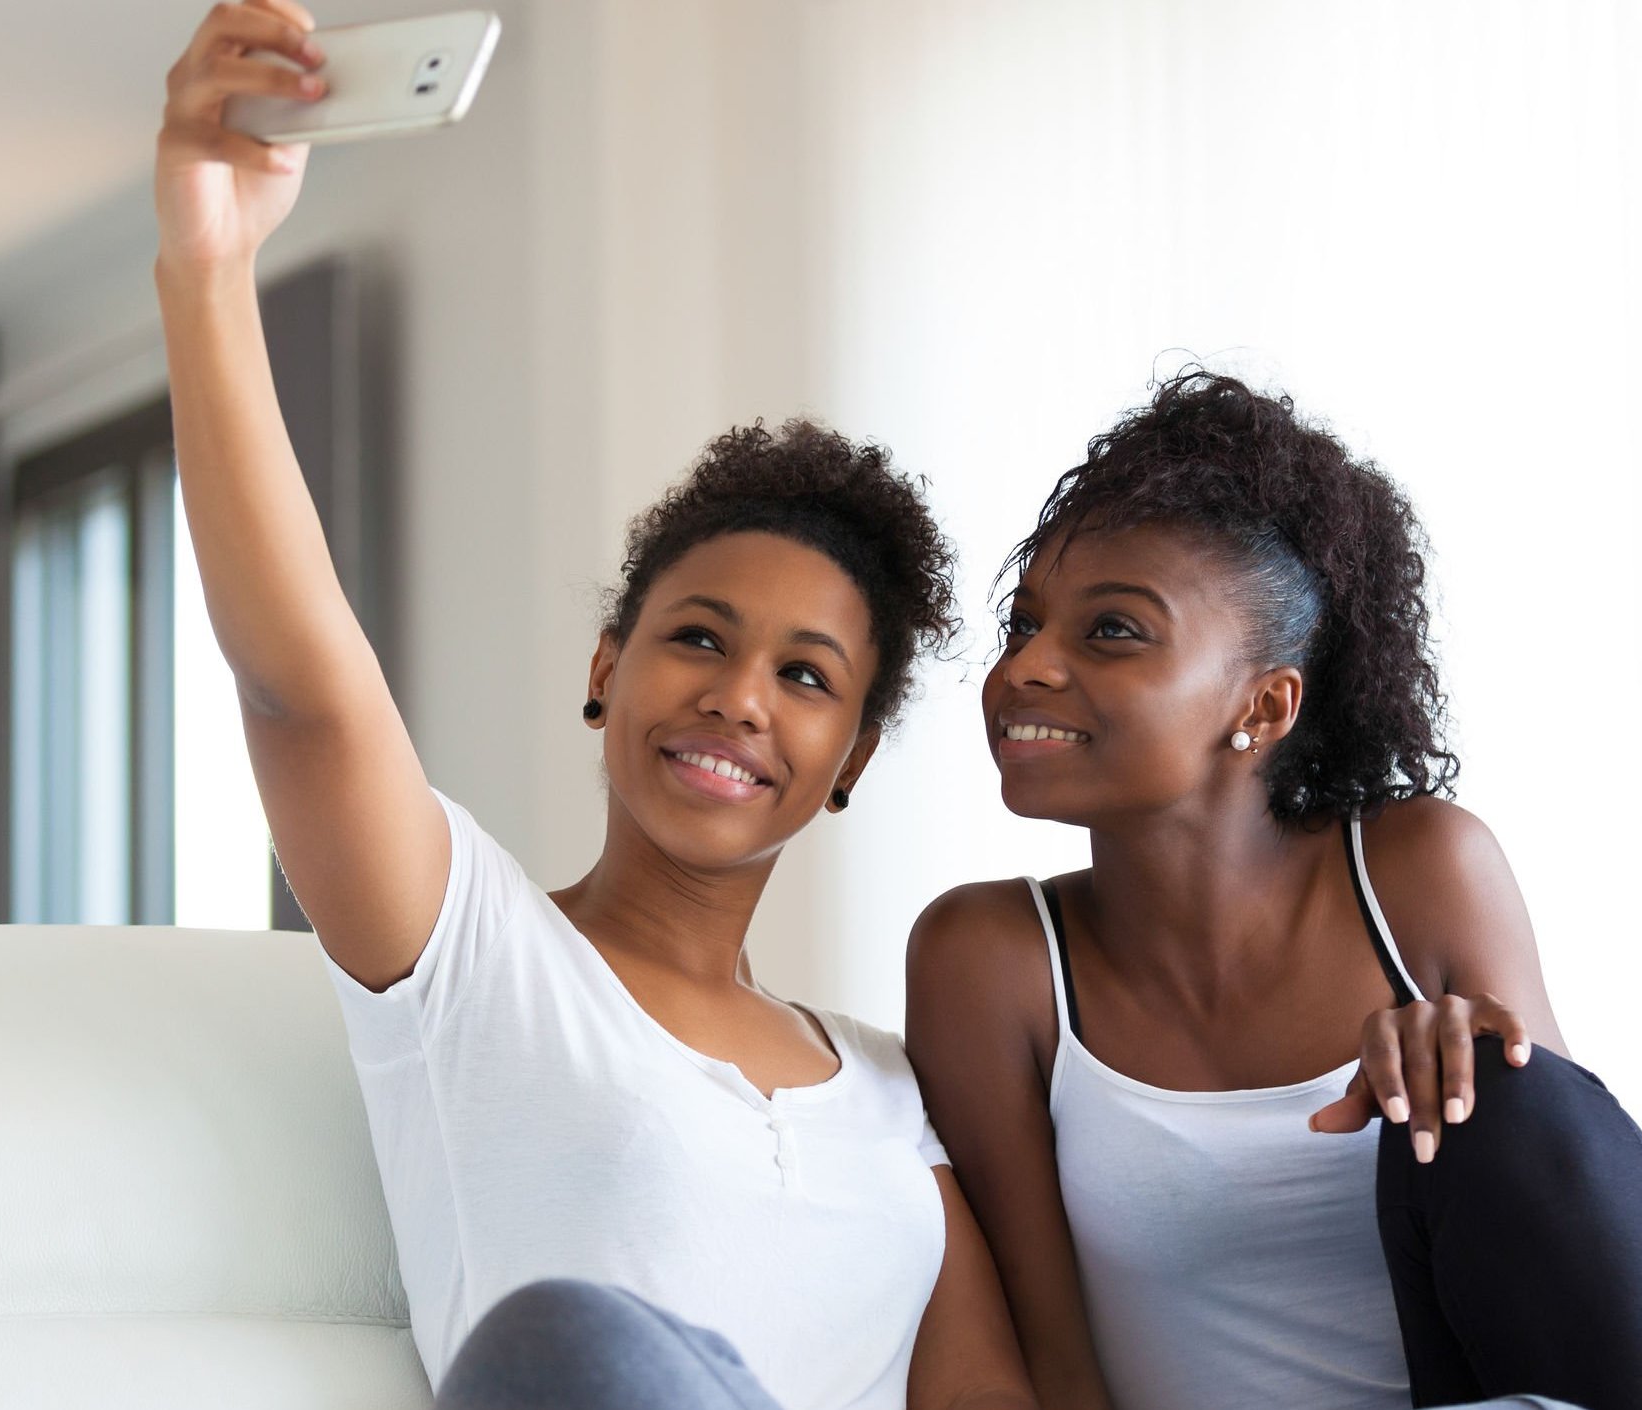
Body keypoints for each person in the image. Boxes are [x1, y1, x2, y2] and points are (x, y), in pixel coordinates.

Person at [153, 5, 1034, 1407]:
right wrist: (207, 266)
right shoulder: (472, 955)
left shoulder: (887, 1090)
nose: (739, 696)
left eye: (806, 676)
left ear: (852, 754)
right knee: (570, 1338)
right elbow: (300, 686)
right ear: (605, 669)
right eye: (696, 636)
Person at [908, 370, 1642, 1410]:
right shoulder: (989, 958)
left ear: (1266, 703)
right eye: (1024, 625)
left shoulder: (1423, 873)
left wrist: (1470, 1053)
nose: (1026, 668)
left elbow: (1576, 1245)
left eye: (1110, 631)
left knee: (1503, 1085)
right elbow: (1050, 1366)